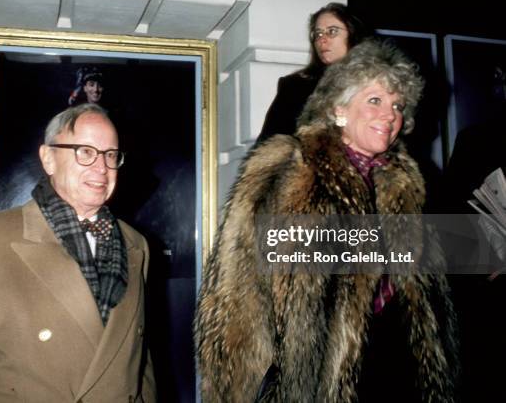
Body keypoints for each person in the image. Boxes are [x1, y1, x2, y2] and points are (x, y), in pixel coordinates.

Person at [195, 40, 457, 402]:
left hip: (399, 368)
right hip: (314, 377)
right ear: (339, 109)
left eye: (398, 105)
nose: (390, 115)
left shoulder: (408, 185)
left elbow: (432, 295)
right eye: (375, 100)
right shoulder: (288, 170)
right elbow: (239, 291)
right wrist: (237, 386)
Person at [0, 103, 155, 402]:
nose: (102, 168)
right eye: (85, 151)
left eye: (111, 155)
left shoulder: (136, 244)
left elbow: (138, 365)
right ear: (48, 158)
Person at [257, 2, 370, 144]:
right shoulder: (295, 86)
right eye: (318, 34)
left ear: (353, 34)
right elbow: (269, 143)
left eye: (332, 31)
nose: (322, 39)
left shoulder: (375, 84)